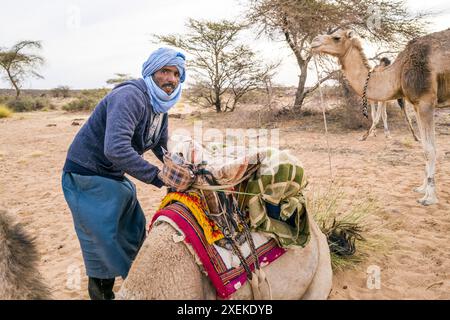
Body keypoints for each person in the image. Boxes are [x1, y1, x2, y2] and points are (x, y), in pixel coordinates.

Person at [61, 47, 186, 300]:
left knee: (134, 231)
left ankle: (140, 286)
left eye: (176, 73)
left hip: (114, 177)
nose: (171, 79)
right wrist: (159, 176)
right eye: (165, 71)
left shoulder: (160, 105)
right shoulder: (131, 96)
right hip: (87, 176)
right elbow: (116, 149)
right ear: (152, 71)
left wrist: (179, 165)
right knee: (103, 246)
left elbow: (161, 146)